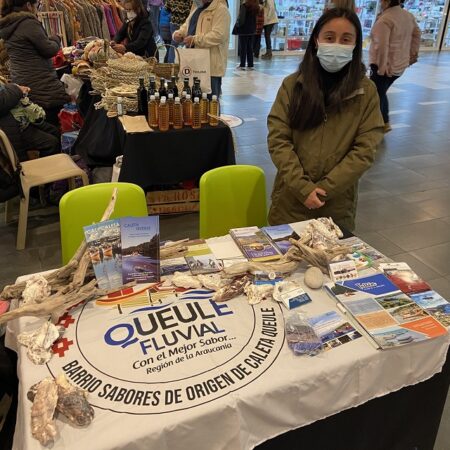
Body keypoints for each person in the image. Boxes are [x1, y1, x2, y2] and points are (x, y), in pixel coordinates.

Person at [267, 8, 384, 232]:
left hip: (337, 206)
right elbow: (278, 140)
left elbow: (365, 150)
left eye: (346, 39)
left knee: (335, 263)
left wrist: (324, 190)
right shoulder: (293, 86)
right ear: (316, 40)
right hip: (290, 202)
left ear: (355, 45)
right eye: (330, 37)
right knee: (284, 263)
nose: (337, 45)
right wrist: (303, 188)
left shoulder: (365, 91)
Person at [0, 0, 70, 127]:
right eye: (36, 5)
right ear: (28, 5)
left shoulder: (8, 25)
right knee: (52, 121)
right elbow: (48, 50)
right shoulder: (28, 23)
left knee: (36, 118)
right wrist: (56, 39)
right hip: (42, 83)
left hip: (22, 80)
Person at [369, 0, 420, 132]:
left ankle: (383, 122)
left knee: (375, 93)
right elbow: (417, 34)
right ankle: (381, 121)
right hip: (399, 64)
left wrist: (381, 67)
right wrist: (412, 55)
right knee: (379, 92)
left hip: (385, 66)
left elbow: (382, 46)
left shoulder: (386, 19)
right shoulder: (408, 16)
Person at [173, 0, 230, 97]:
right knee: (193, 100)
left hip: (211, 67)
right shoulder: (197, 7)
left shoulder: (221, 10)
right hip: (193, 62)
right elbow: (188, 25)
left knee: (210, 101)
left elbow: (219, 35)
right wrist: (178, 33)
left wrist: (195, 39)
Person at [0, 80, 60, 162]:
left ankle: (60, 161)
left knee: (54, 131)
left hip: (18, 117)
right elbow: (2, 102)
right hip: (9, 125)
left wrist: (14, 88)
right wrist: (17, 89)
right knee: (51, 143)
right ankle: (46, 169)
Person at [234, 0, 260, 70]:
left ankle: (242, 65)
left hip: (244, 30)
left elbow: (241, 19)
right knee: (250, 48)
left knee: (243, 48)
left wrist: (237, 25)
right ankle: (250, 65)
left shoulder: (244, 6)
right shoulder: (256, 6)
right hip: (252, 30)